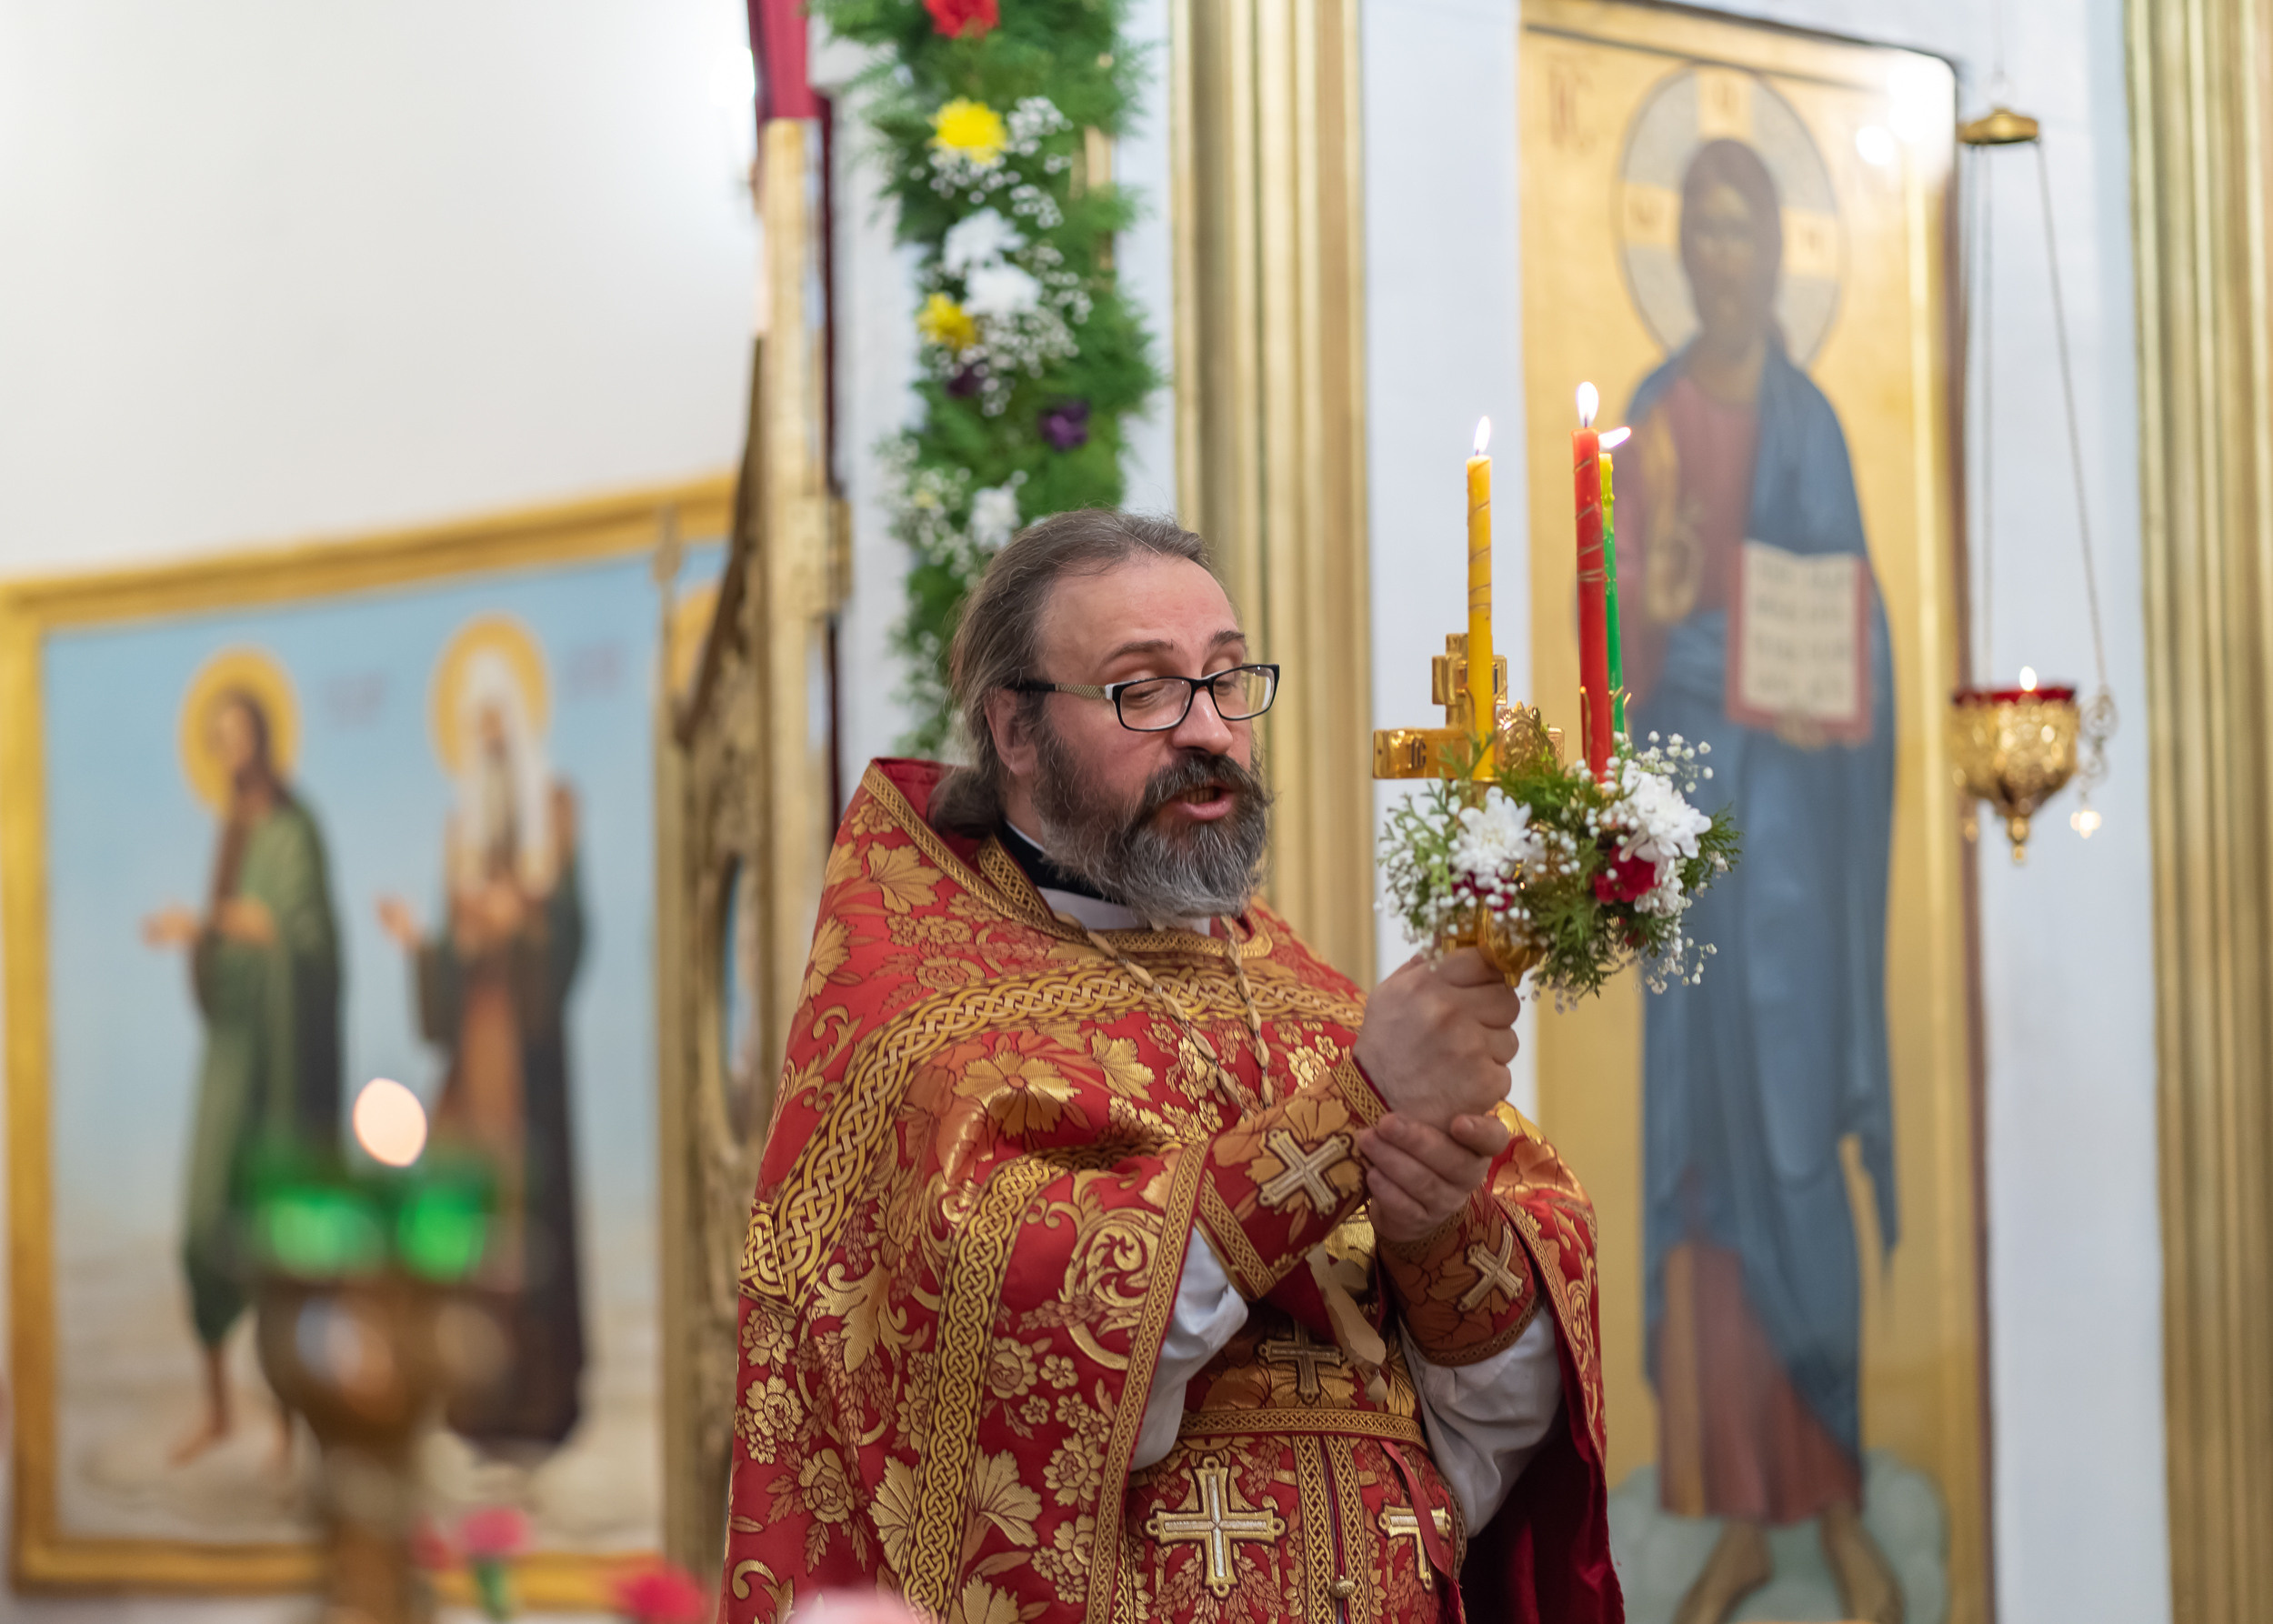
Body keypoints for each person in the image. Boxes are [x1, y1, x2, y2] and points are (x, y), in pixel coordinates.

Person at [723, 511, 1617, 1622]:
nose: (1208, 730)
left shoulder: (1322, 1005)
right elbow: (1015, 1363)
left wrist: (1438, 1235)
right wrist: (1347, 1116)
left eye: (1228, 677)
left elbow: (1493, 1441)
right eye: (1144, 690)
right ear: (1013, 728)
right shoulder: (929, 1029)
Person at [1615, 137, 1900, 1624]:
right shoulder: (1655, 422)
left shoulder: (1811, 424)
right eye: (1702, 231)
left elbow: (1862, 637)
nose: (1724, 256)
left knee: (1797, 1150)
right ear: (1686, 250)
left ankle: (1834, 1493)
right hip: (1691, 837)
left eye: (1746, 230)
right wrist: (1655, 616)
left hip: (1790, 849)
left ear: (1777, 250)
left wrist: (1829, 691)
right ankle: (1737, 1512)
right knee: (1710, 1166)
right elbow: (1628, 647)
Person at [377, 651, 587, 1452]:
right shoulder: (461, 834)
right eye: (479, 725)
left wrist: (524, 923)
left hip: (527, 1059)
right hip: (478, 1051)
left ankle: (538, 1398)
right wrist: (420, 948)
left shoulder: (555, 812)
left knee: (527, 1213)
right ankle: (474, 1399)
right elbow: (454, 960)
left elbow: (571, 933)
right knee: (471, 1216)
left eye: (500, 719)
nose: (490, 737)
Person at [142, 686, 343, 1467]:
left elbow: (313, 939)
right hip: (234, 1054)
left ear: (263, 739)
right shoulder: (231, 835)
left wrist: (255, 931)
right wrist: (198, 934)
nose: (230, 751)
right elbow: (232, 938)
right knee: (202, 1225)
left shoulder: (296, 830)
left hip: (284, 1064)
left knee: (281, 1239)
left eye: (238, 735)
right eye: (216, 740)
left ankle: (290, 1428)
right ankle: (219, 1408)